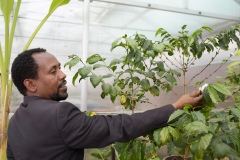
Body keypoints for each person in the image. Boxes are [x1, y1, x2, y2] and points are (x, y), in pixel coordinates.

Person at [7, 48, 203, 160]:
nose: (63, 74)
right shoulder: (60, 114)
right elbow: (118, 126)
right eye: (53, 71)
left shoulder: (15, 122)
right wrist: (175, 107)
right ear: (30, 84)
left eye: (60, 68)